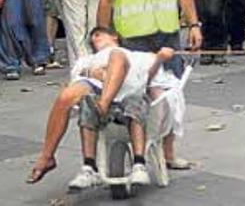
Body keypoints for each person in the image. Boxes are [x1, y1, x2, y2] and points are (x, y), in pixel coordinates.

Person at [96, 0, 202, 169]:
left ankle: (168, 152)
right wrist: (104, 38)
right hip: (133, 38)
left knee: (170, 95)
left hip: (166, 33)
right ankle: (139, 154)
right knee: (135, 96)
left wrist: (193, 24)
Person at [26, 27, 173, 189]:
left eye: (98, 34)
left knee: (116, 56)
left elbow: (150, 80)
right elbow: (77, 79)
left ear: (115, 36)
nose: (94, 39)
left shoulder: (137, 56)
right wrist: (94, 72)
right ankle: (55, 158)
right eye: (92, 38)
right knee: (67, 97)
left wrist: (159, 59)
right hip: (97, 92)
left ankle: (137, 161)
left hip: (130, 94)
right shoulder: (88, 60)